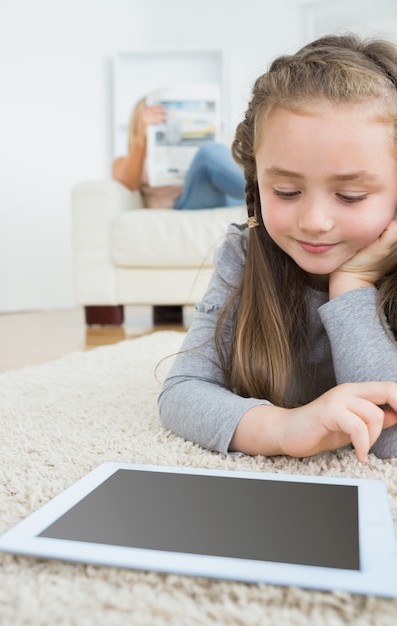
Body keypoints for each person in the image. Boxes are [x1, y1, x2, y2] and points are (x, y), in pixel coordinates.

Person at [158, 33, 397, 463]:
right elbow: (182, 392)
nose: (314, 222)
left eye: (351, 196)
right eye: (286, 191)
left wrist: (353, 286)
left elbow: (390, 440)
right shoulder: (245, 253)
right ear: (255, 182)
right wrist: (282, 429)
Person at [112, 97, 245, 210]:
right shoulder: (124, 161)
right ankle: (257, 189)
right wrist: (141, 137)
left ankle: (258, 192)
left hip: (222, 194)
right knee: (208, 151)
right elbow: (129, 183)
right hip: (184, 202)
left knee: (215, 149)